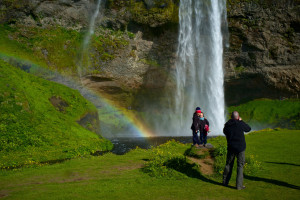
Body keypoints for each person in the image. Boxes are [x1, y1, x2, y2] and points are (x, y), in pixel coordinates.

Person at [222, 111, 251, 190]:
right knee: (240, 166)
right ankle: (239, 186)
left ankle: (225, 182)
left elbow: (224, 131)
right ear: (238, 117)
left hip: (231, 147)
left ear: (231, 117)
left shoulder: (227, 125)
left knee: (228, 164)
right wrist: (241, 121)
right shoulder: (240, 123)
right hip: (240, 148)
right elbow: (248, 129)